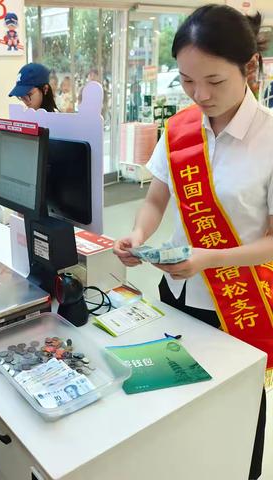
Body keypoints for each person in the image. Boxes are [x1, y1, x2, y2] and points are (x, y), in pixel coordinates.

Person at [112, 5, 270, 479]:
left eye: (215, 82)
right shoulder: (181, 129)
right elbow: (157, 199)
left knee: (236, 412)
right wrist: (139, 233)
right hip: (177, 291)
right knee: (177, 406)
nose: (200, 95)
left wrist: (211, 259)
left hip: (240, 303)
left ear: (250, 68)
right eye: (186, 81)